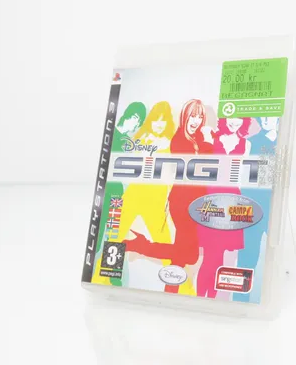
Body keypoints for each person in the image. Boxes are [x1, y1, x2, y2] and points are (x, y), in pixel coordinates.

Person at [124, 99, 212, 295]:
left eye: (200, 116)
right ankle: (170, 291)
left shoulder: (198, 138)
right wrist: (207, 143)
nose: (196, 121)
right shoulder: (179, 140)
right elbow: (197, 165)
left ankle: (141, 246)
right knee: (182, 256)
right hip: (182, 203)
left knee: (188, 256)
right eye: (192, 116)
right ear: (184, 116)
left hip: (197, 203)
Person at [115, 101, 176, 286]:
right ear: (150, 120)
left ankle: (176, 282)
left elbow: (171, 173)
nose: (159, 124)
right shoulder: (140, 139)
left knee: (164, 240)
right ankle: (106, 275)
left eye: (163, 120)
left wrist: (169, 197)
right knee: (116, 233)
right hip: (134, 192)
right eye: (156, 119)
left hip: (157, 196)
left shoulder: (170, 143)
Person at [91, 102, 147, 286]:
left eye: (139, 122)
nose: (135, 124)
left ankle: (113, 275)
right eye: (135, 118)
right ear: (127, 115)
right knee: (99, 234)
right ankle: (93, 272)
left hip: (118, 195)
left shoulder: (127, 142)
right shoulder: (112, 134)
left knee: (114, 234)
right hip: (104, 193)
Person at [196, 117, 252, 298]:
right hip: (210, 196)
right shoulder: (211, 137)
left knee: (218, 254)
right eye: (231, 119)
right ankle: (201, 296)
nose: (234, 124)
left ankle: (210, 297)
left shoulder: (246, 144)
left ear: (244, 121)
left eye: (239, 121)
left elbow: (241, 175)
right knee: (210, 253)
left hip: (231, 197)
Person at [234, 116, 279, 303]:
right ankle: (240, 301)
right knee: (247, 256)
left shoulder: (284, 142)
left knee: (278, 252)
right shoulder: (251, 142)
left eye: (271, 116)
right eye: (264, 117)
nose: (267, 120)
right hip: (252, 207)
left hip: (275, 205)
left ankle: (271, 295)